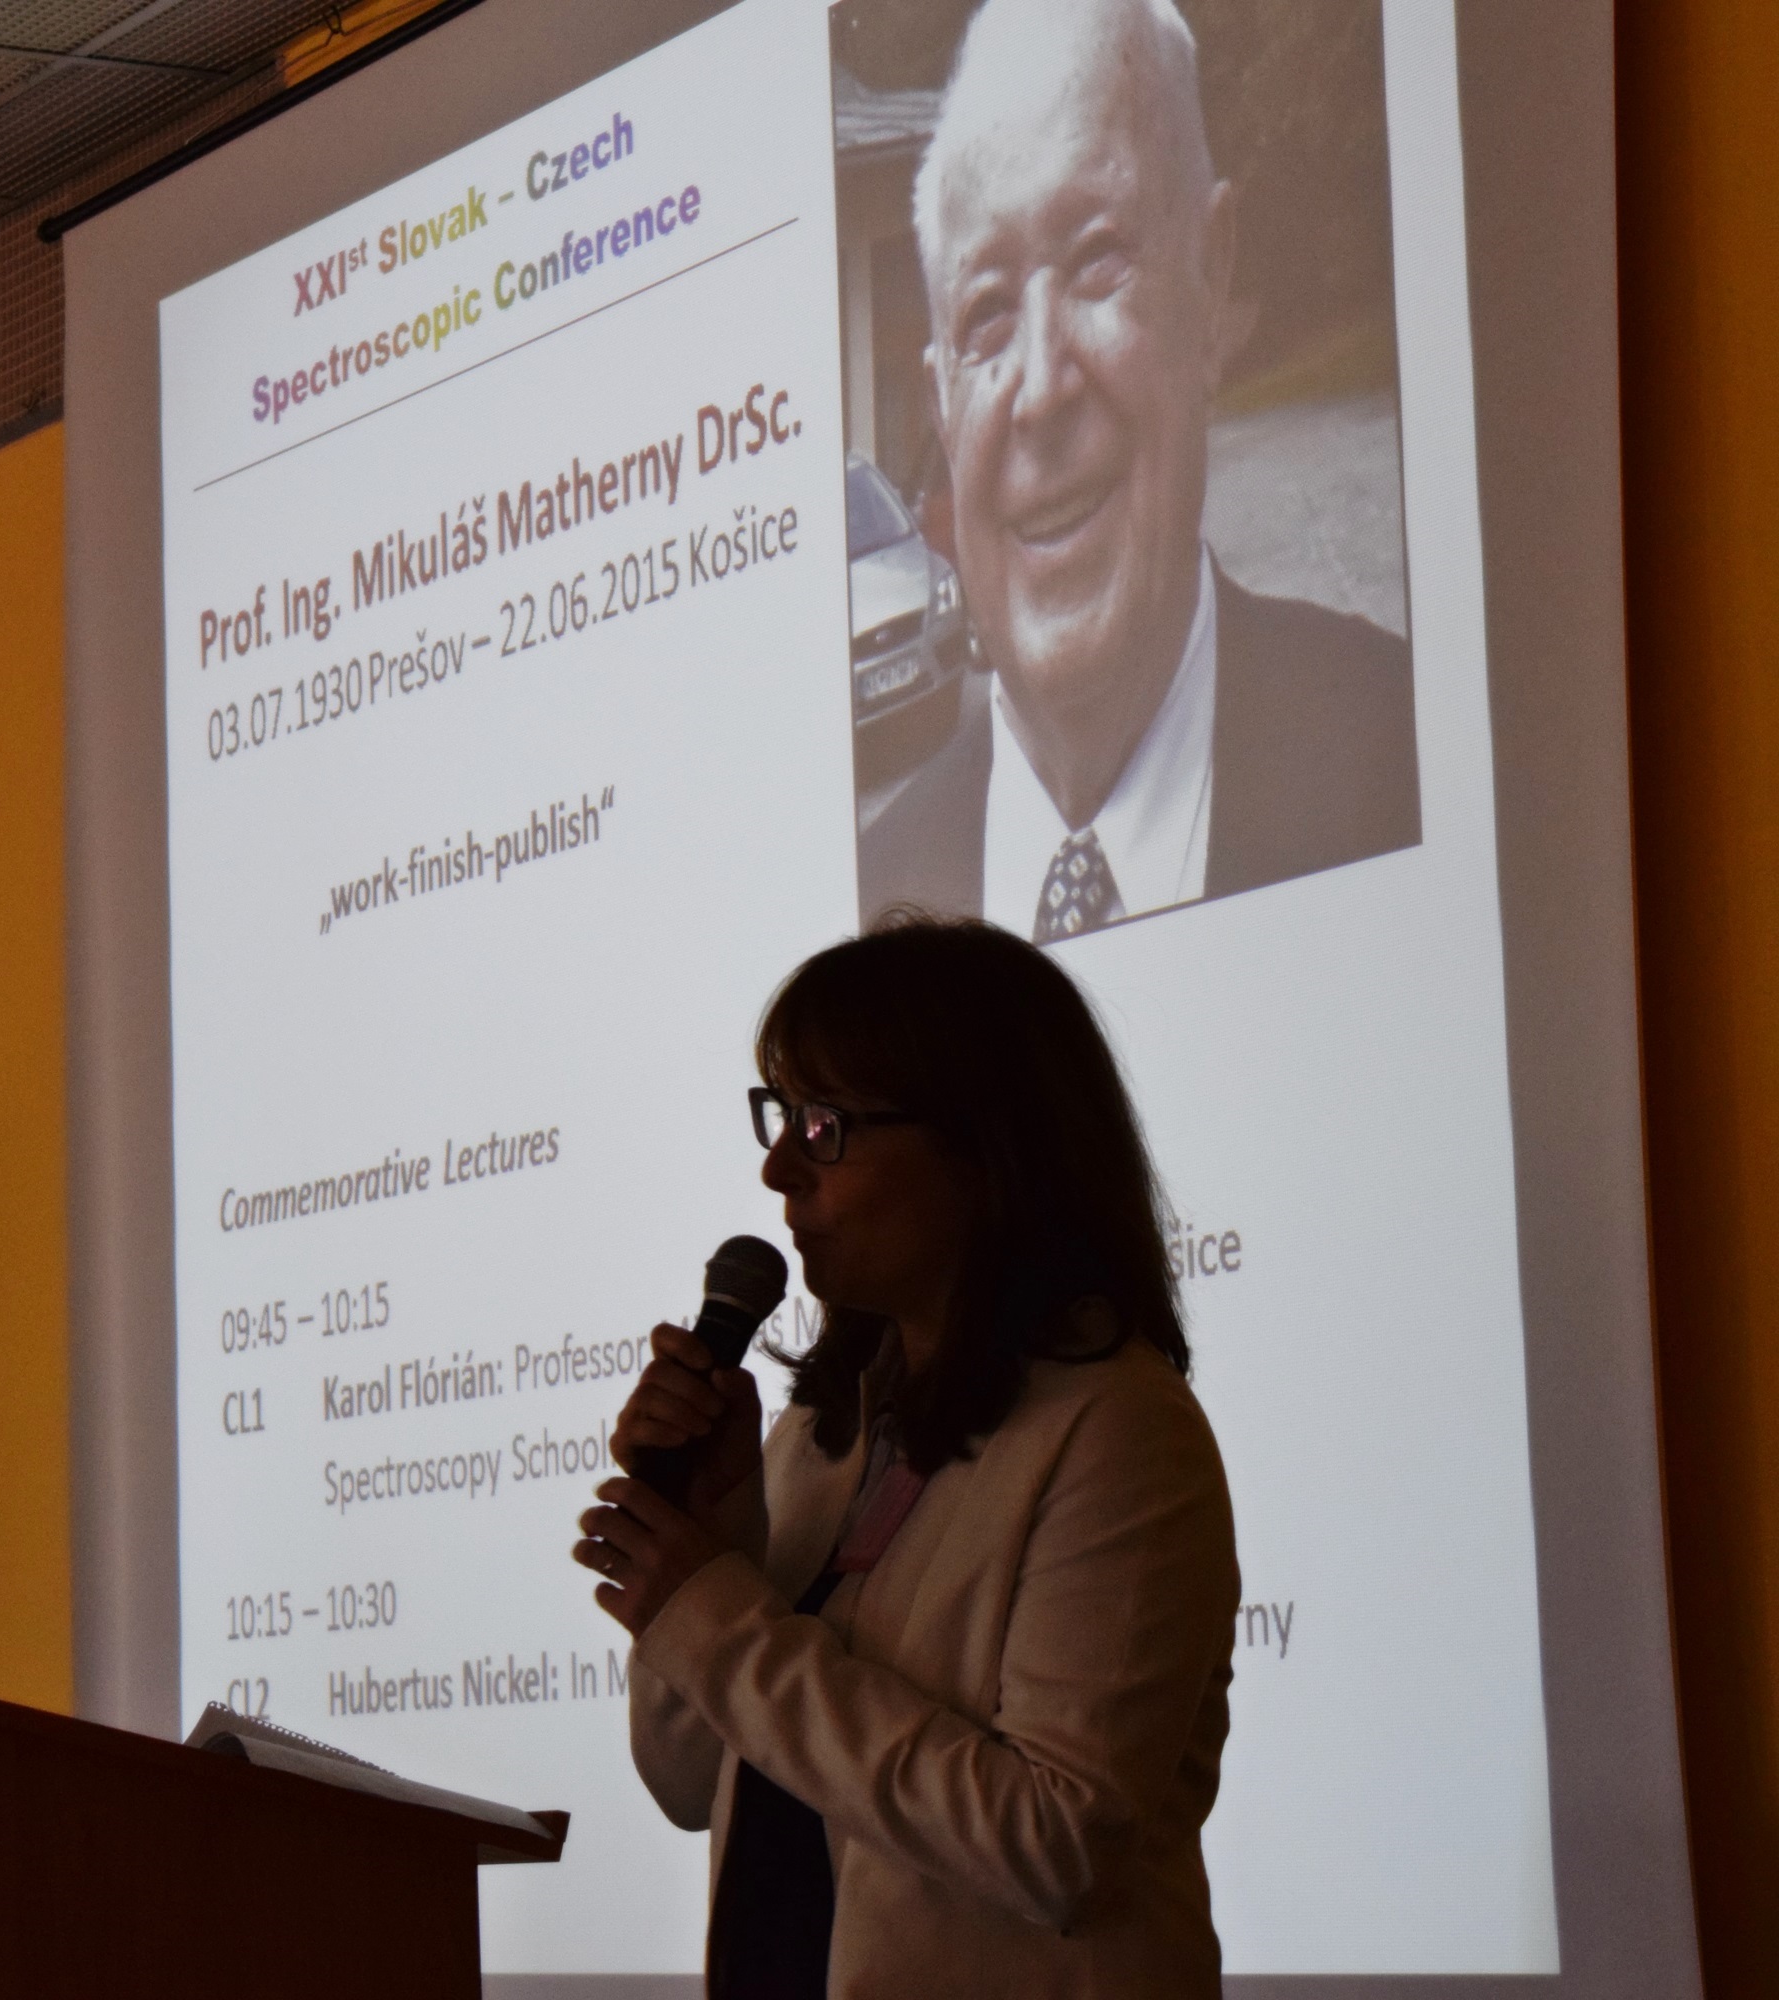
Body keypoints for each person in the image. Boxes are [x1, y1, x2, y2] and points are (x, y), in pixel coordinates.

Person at [573, 916, 1239, 1995]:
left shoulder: (1120, 1432)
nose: (779, 1167)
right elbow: (688, 1780)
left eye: (825, 1125)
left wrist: (716, 1617)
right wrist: (718, 1533)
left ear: (987, 1150)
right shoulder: (822, 1433)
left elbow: (1056, 1841)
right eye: (782, 1114)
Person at [857, 0, 1419, 941]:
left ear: (1212, 276)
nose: (1041, 388)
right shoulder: (872, 921)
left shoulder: (1408, 753)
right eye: (987, 313)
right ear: (943, 411)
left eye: (1096, 259)